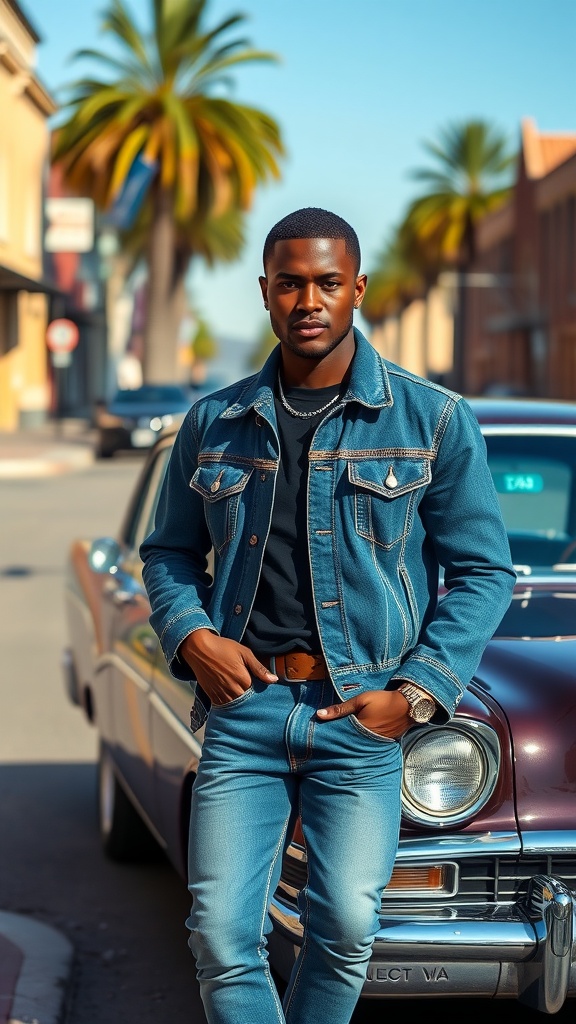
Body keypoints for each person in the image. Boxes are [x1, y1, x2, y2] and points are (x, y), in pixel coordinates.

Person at [140, 207, 516, 1024]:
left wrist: (416, 693)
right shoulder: (214, 422)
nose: (309, 300)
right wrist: (192, 634)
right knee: (220, 933)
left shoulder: (434, 421)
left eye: (327, 283)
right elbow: (166, 553)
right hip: (246, 711)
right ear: (266, 294)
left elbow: (485, 571)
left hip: (363, 711)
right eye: (291, 284)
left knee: (345, 924)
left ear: (357, 290)